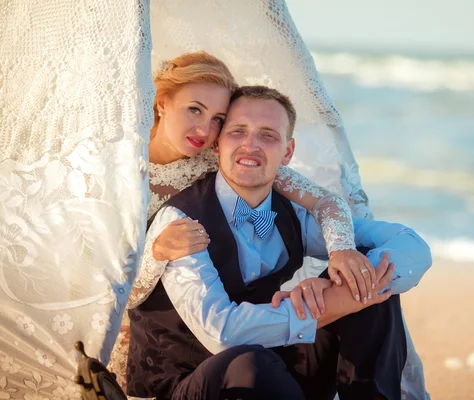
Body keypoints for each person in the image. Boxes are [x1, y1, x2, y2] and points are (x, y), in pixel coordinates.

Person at [126, 85, 432, 399]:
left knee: (363, 270)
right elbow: (222, 333)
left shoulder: (294, 215)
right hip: (191, 383)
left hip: (277, 368)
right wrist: (330, 305)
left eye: (268, 135)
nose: (250, 145)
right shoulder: (182, 220)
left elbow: (410, 245)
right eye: (238, 131)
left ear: (288, 152)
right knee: (249, 363)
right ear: (217, 145)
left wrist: (348, 290)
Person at [108, 51, 378, 389]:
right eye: (195, 109)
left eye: (219, 119)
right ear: (161, 102)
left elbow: (326, 201)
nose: (205, 129)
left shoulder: (225, 155)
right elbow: (112, 294)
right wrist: (156, 253)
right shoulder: (117, 175)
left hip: (215, 319)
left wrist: (341, 250)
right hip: (143, 334)